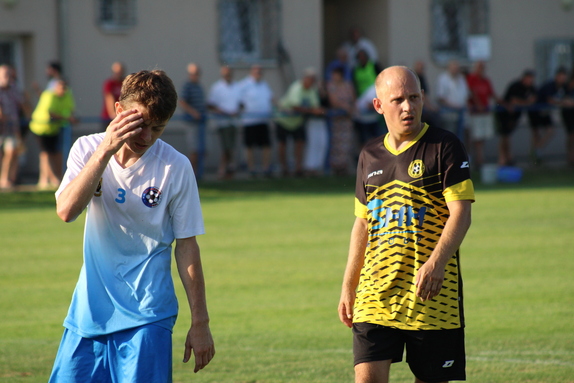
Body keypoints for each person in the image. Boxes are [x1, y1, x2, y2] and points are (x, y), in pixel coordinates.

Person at [48, 70, 215, 382]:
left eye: (158, 128)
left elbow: (187, 245)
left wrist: (200, 321)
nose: (147, 138)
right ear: (119, 111)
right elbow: (67, 211)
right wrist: (105, 152)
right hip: (88, 312)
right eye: (141, 125)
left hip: (148, 315)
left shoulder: (175, 166)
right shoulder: (87, 149)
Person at [338, 66, 474, 383]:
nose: (407, 107)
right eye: (398, 99)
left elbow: (461, 213)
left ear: (423, 98)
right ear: (378, 105)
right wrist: (349, 284)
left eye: (414, 97)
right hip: (375, 296)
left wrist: (436, 263)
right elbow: (362, 224)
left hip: (431, 298)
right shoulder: (369, 154)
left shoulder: (445, 146)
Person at [275, 67, 322, 177]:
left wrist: (316, 110)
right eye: (310, 79)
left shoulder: (311, 90)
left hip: (297, 121)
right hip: (283, 120)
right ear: (305, 79)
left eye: (313, 79)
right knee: (282, 144)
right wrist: (311, 110)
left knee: (300, 143)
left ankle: (298, 168)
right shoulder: (296, 87)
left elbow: (315, 106)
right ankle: (284, 168)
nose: (312, 82)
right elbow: (295, 106)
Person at [29, 78, 76, 189]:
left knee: (56, 153)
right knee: (46, 153)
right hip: (41, 127)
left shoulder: (67, 95)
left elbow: (70, 109)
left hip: (54, 128)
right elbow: (51, 113)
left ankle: (52, 178)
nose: (63, 89)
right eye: (61, 87)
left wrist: (70, 117)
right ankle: (51, 179)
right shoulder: (48, 95)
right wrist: (67, 118)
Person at [237, 64, 274, 177]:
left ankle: (265, 168)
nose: (258, 74)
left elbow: (271, 99)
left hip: (263, 120)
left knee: (266, 145)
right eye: (256, 72)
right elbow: (238, 101)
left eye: (260, 72)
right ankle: (251, 169)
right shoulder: (244, 85)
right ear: (252, 72)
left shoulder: (264, 85)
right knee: (249, 146)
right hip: (250, 121)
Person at [495, 70, 537, 166]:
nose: (530, 81)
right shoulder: (515, 86)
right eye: (529, 79)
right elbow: (514, 101)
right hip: (504, 114)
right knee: (504, 136)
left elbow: (534, 100)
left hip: (515, 116)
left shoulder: (531, 88)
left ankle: (508, 157)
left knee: (507, 136)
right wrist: (527, 102)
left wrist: (525, 102)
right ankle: (503, 158)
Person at [528, 66, 568, 165]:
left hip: (545, 112)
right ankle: (534, 157)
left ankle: (538, 149)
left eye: (564, 78)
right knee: (536, 133)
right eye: (561, 77)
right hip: (536, 110)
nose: (563, 80)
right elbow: (550, 100)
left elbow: (565, 96)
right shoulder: (550, 85)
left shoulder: (563, 87)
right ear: (557, 77)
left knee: (550, 130)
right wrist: (563, 103)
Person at [208, 65, 241, 179]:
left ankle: (227, 170)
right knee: (226, 147)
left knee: (230, 147)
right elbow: (211, 105)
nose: (228, 76)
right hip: (222, 122)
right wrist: (224, 112)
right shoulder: (217, 87)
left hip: (234, 122)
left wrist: (237, 112)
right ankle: (224, 170)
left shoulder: (237, 86)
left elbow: (241, 103)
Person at [466, 61, 501, 168]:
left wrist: (502, 103)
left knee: (482, 137)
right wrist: (478, 104)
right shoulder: (471, 79)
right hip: (476, 113)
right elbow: (471, 92)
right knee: (476, 137)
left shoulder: (486, 80)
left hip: (485, 112)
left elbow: (492, 94)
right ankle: (478, 161)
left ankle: (480, 159)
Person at [179, 62, 207, 179]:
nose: (194, 76)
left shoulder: (199, 87)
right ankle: (192, 175)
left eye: (196, 73)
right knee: (194, 150)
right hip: (192, 123)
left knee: (203, 150)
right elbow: (182, 102)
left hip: (201, 123)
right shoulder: (187, 86)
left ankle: (199, 174)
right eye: (192, 74)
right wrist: (194, 113)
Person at [0, 64, 26, 189]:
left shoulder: (13, 89)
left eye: (9, 74)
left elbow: (21, 104)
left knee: (12, 152)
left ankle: (8, 179)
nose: (8, 77)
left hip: (12, 127)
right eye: (5, 75)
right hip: (1, 128)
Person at [327, 66, 355, 175]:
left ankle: (344, 167)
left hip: (346, 121)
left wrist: (350, 109)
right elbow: (333, 101)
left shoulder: (348, 86)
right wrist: (346, 107)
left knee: (346, 143)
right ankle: (336, 168)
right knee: (336, 145)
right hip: (336, 120)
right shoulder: (331, 86)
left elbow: (353, 99)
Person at [436, 60, 469, 139]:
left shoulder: (461, 79)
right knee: (449, 136)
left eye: (457, 68)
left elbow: (466, 94)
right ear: (449, 68)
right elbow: (440, 97)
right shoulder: (443, 79)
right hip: (448, 112)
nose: (456, 70)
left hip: (461, 111)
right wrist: (454, 106)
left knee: (460, 136)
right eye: (454, 67)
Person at [100, 61, 125, 131]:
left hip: (121, 115)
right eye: (116, 72)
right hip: (108, 117)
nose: (118, 74)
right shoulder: (110, 83)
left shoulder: (125, 82)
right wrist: (112, 113)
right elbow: (109, 98)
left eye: (120, 71)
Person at [560, 69, 574, 167]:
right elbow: (559, 99)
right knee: (571, 136)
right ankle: (571, 158)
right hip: (568, 115)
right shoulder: (564, 87)